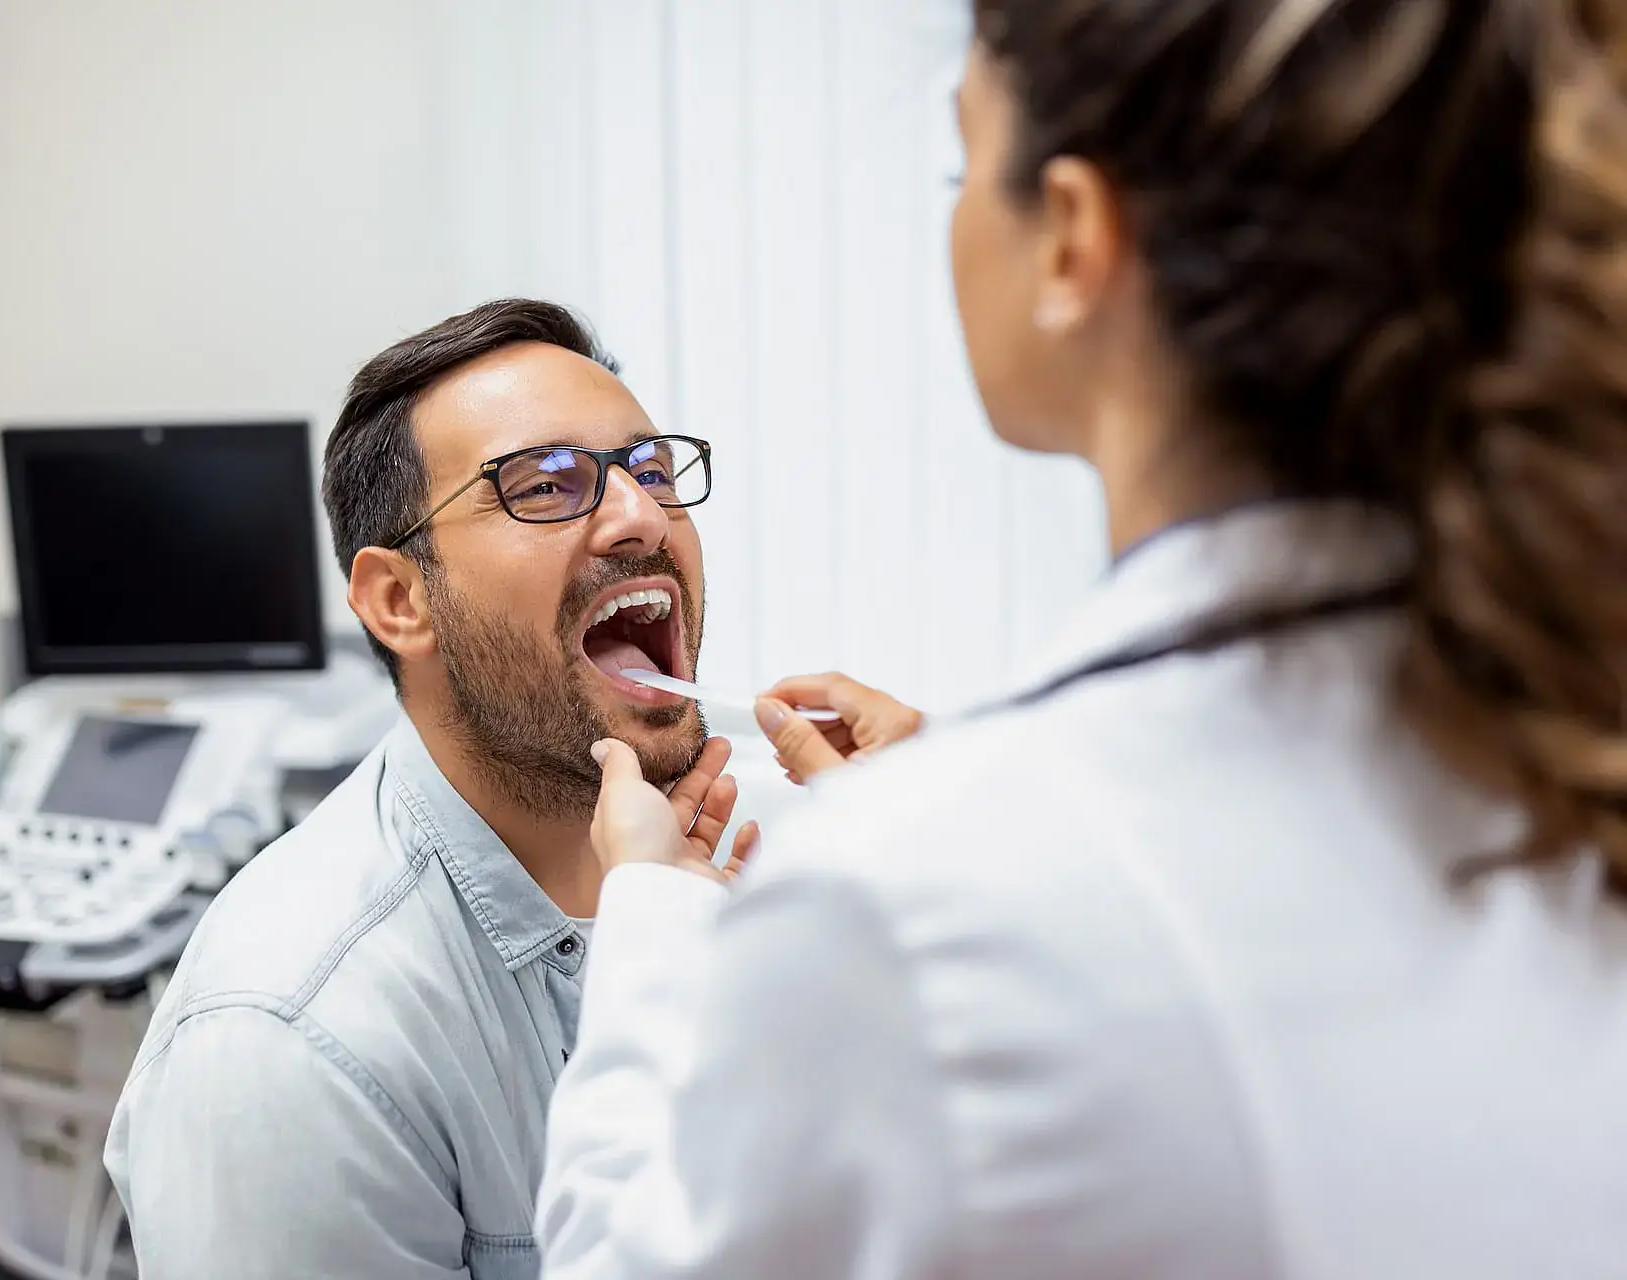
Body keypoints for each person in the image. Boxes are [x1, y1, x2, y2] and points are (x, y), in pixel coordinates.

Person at [539, 2, 1627, 1276]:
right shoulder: (1559, 730)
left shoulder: (912, 904)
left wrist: (654, 917)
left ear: (1071, 236)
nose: (630, 511)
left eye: (961, 169)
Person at [105, 299, 749, 1280]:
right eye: (544, 485)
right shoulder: (289, 1042)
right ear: (400, 599)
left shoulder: (729, 867)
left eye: (652, 470)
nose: (643, 516)